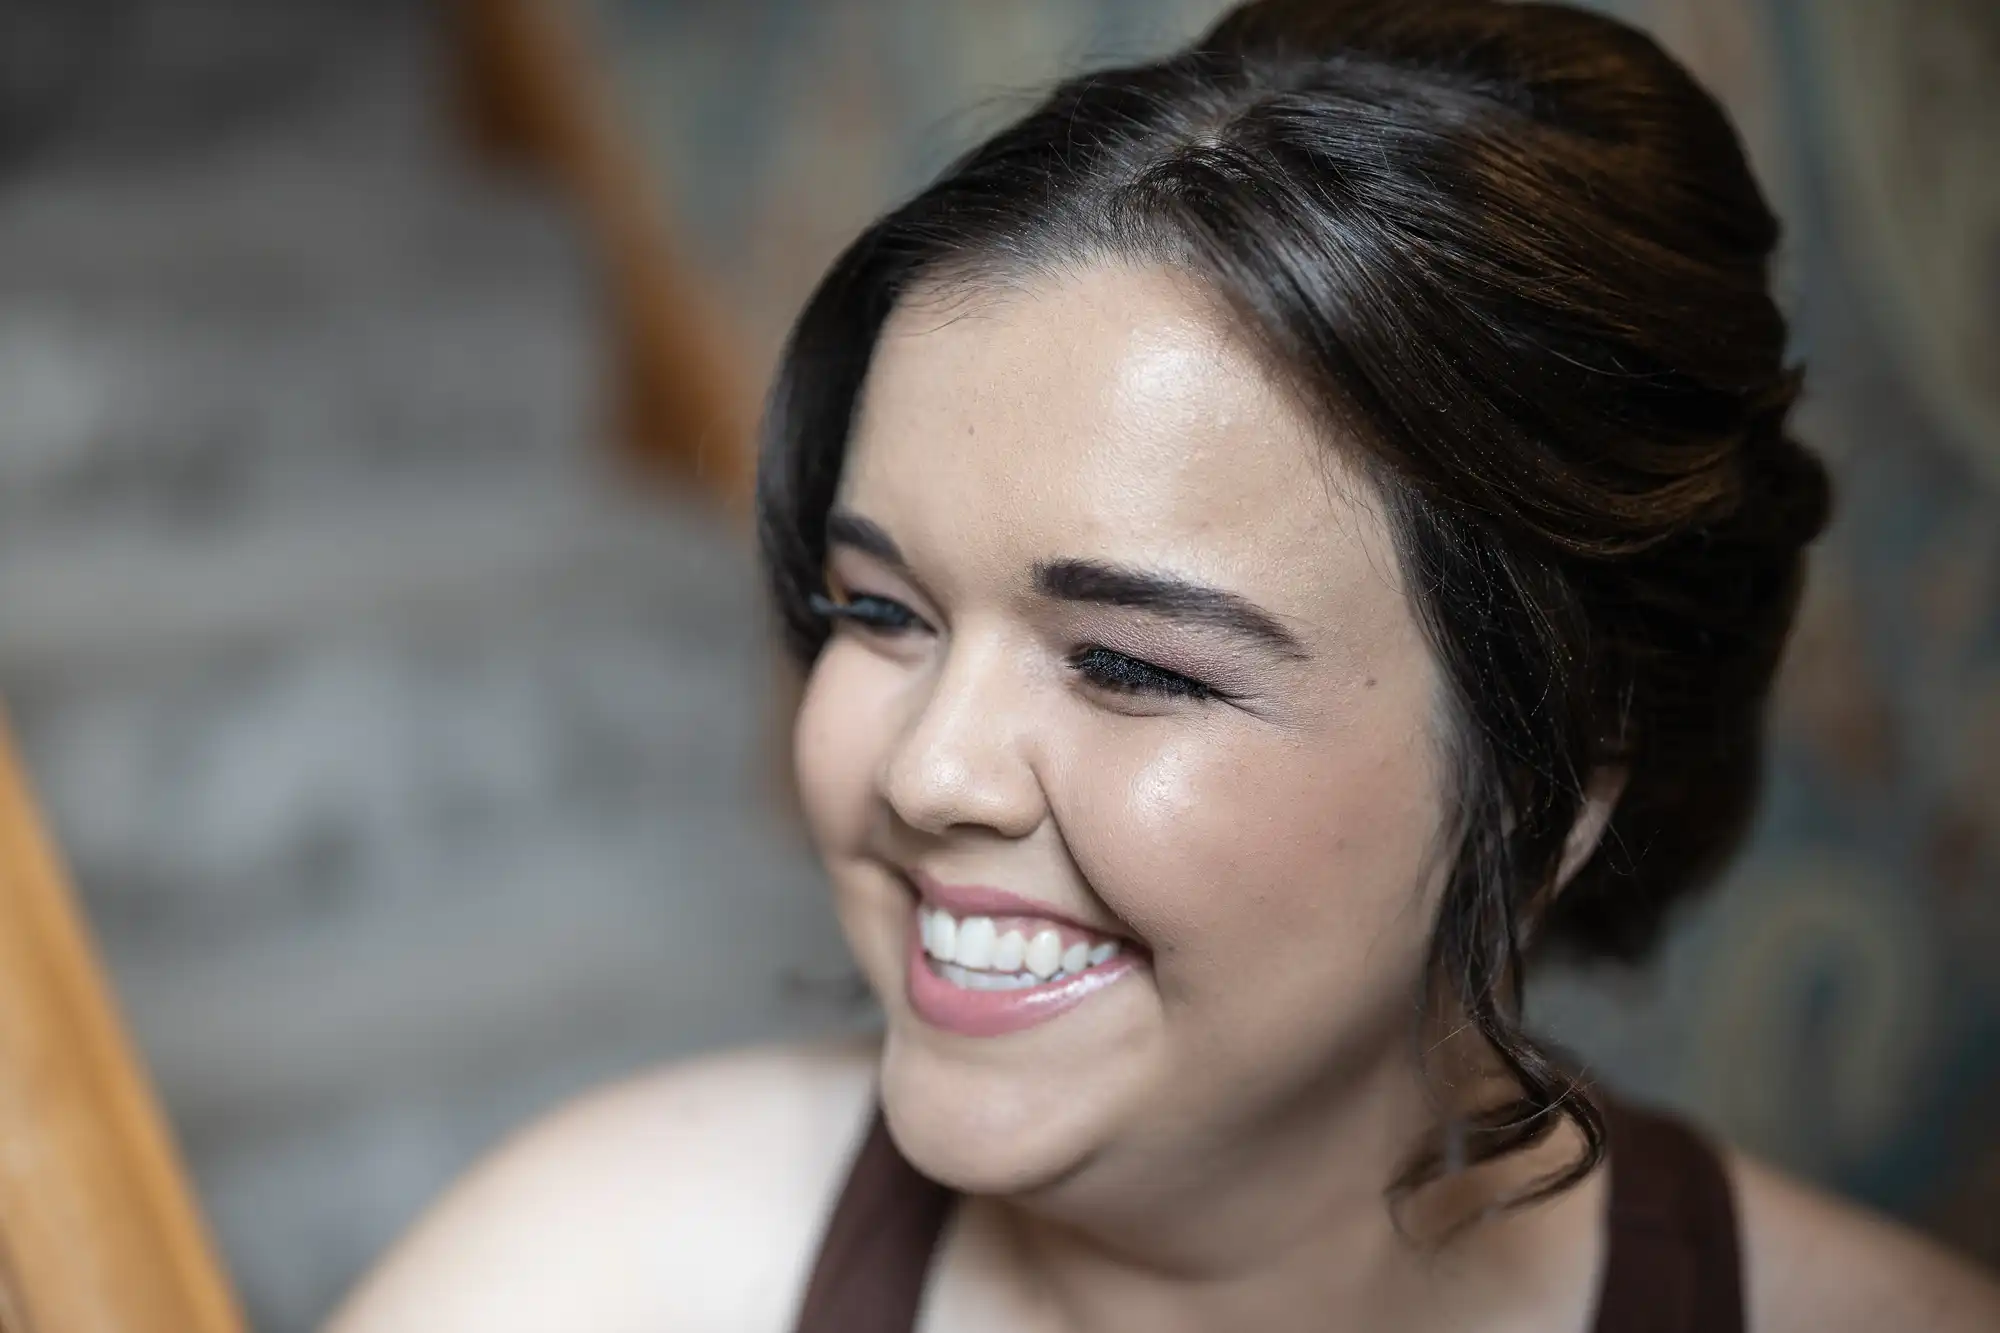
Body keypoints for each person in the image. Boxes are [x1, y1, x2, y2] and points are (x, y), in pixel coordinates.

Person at [328, 2, 2000, 1330]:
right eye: (883, 612)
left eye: (1129, 664)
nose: (929, 772)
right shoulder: (603, 1270)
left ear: (1560, 780)